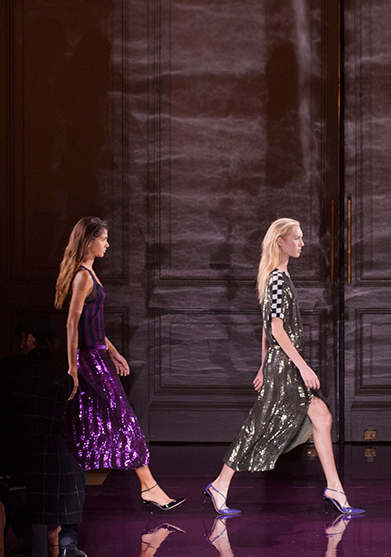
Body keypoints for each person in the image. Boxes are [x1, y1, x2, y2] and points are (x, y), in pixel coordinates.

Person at [203, 218, 363, 515]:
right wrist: (302, 367)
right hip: (287, 367)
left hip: (280, 364)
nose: (302, 243)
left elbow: (267, 329)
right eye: (297, 238)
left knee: (321, 417)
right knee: (260, 423)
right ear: (281, 241)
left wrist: (263, 366)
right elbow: (275, 329)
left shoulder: (278, 277)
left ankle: (334, 488)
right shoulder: (276, 279)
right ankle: (220, 484)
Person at [55, 217, 184, 511]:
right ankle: (148, 487)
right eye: (103, 239)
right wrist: (73, 369)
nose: (107, 244)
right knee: (120, 419)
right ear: (89, 241)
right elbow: (72, 325)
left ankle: (146, 487)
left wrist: (112, 352)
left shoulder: (90, 274)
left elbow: (93, 323)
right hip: (88, 361)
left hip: (97, 356)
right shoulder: (83, 277)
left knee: (93, 421)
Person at [9, 317, 88, 557]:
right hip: (47, 453)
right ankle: (66, 544)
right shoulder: (62, 380)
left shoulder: (8, 371)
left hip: (12, 453)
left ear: (29, 338)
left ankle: (28, 540)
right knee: (74, 473)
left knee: (19, 481)